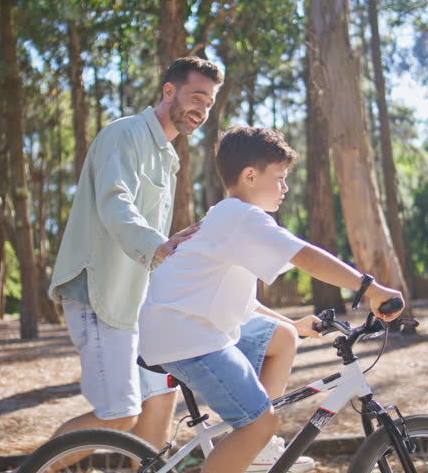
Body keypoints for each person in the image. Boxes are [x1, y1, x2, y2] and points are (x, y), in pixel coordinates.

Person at [138, 126, 405, 473]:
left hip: (183, 326)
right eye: (279, 178)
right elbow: (305, 256)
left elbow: (241, 303)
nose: (285, 187)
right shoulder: (242, 217)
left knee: (282, 336)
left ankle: (258, 449)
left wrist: (292, 323)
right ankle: (255, 435)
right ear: (250, 176)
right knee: (260, 422)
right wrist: (370, 288)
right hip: (186, 337)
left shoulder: (226, 216)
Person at [47, 57, 224, 449]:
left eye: (209, 103)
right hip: (99, 293)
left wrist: (173, 248)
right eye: (196, 97)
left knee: (161, 399)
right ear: (168, 91)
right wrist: (158, 245)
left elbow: (146, 236)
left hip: (137, 302)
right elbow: (116, 203)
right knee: (119, 413)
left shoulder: (167, 157)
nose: (202, 109)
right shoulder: (124, 134)